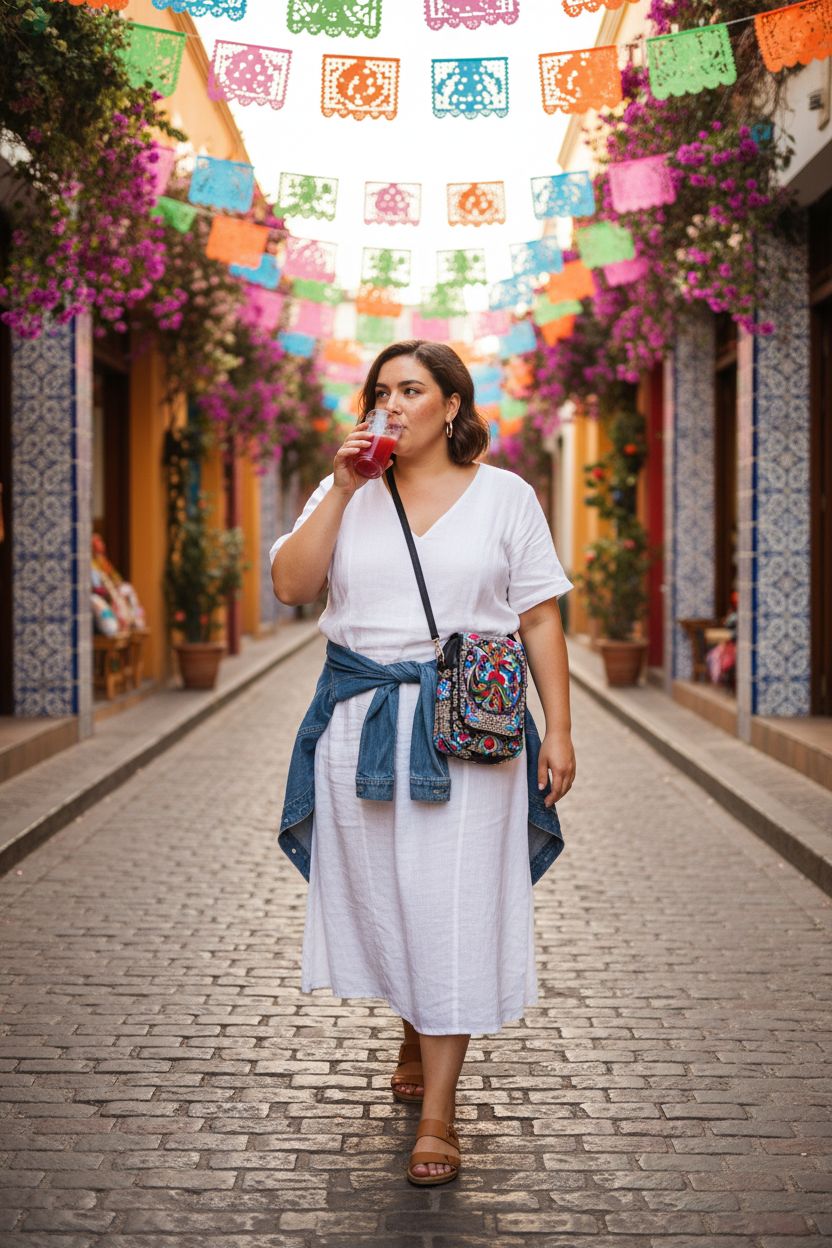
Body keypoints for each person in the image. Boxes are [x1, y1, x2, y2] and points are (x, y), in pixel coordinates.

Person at [271, 340, 576, 1187]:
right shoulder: (346, 494)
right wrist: (339, 489)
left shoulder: (506, 496)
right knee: (388, 892)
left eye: (412, 390)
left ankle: (438, 1113)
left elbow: (541, 619)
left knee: (453, 900)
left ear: (452, 406)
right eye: (381, 392)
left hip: (469, 727)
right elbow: (293, 586)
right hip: (359, 724)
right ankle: (413, 1020)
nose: (393, 405)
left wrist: (559, 730)